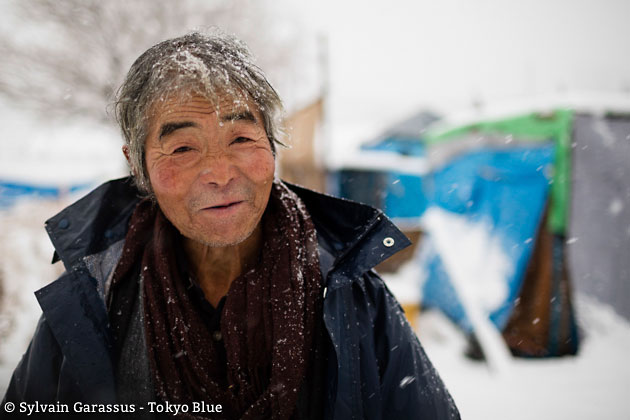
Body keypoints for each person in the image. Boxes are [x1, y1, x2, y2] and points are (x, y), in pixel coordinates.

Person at [2, 31, 459, 419]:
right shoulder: (95, 301)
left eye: (241, 138)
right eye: (182, 148)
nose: (220, 172)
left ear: (273, 147)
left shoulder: (350, 296)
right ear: (138, 166)